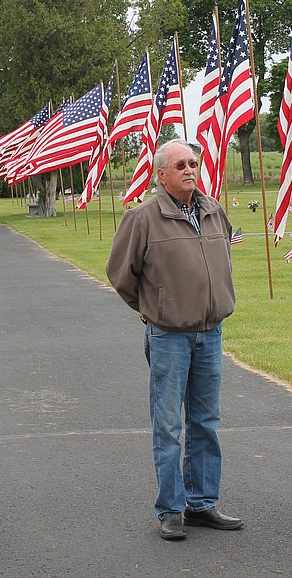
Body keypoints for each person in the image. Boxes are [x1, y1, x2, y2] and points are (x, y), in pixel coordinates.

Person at [106, 139, 243, 541]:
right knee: (168, 426)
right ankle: (171, 508)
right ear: (161, 174)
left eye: (193, 163)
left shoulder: (214, 210)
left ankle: (202, 503)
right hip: (168, 336)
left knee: (206, 422)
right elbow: (121, 275)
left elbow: (223, 264)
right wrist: (157, 309)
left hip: (211, 334)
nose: (189, 170)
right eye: (180, 164)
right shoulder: (142, 217)